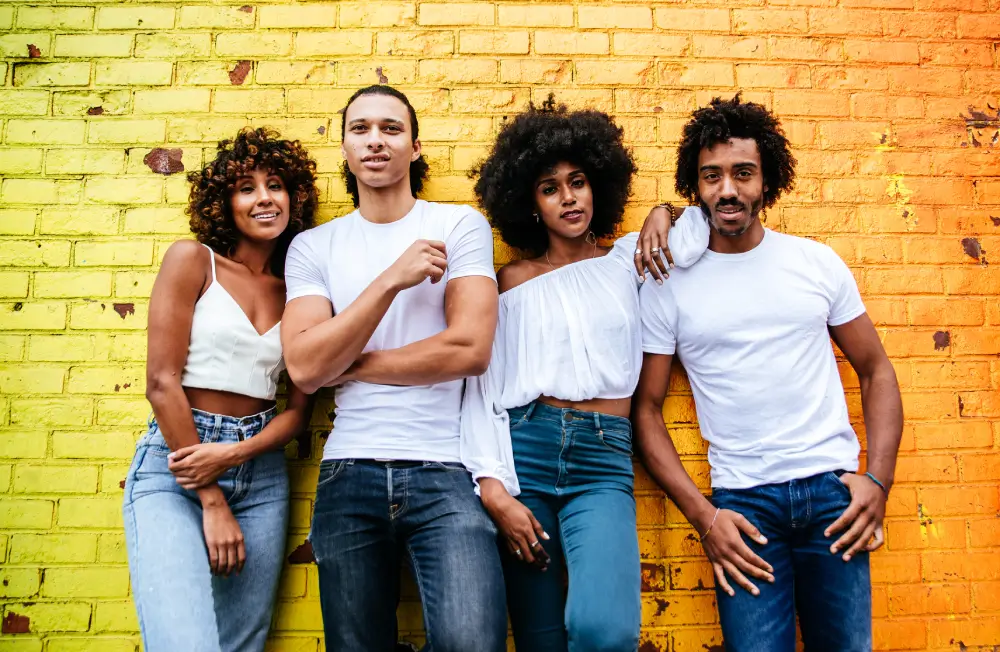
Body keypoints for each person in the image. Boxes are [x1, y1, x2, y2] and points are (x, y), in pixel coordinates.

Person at [633, 95, 903, 651]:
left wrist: (877, 481)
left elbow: (875, 369)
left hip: (834, 500)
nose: (727, 190)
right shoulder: (670, 283)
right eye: (712, 176)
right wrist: (705, 517)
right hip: (744, 507)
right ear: (696, 184)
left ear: (767, 180)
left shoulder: (816, 263)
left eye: (743, 174)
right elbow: (646, 411)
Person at [463, 98, 709, 652]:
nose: (568, 197)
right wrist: (492, 485)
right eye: (550, 188)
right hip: (525, 447)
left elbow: (703, 224)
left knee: (608, 629)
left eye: (577, 182)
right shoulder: (511, 280)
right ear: (531, 202)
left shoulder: (631, 261)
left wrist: (662, 211)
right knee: (539, 637)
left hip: (602, 458)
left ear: (599, 186)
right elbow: (482, 390)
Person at [280, 84, 506, 652]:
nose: (375, 141)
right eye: (360, 129)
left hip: (446, 470)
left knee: (471, 643)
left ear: (415, 145)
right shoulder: (313, 247)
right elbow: (305, 369)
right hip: (347, 472)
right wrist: (389, 280)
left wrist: (350, 365)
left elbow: (469, 349)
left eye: (390, 128)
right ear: (345, 149)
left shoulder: (458, 226)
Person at [123, 127, 317, 652]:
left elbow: (297, 411)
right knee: (185, 642)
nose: (263, 199)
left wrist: (235, 454)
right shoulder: (193, 261)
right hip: (177, 465)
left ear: (293, 197)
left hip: (260, 469)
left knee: (240, 645)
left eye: (275, 184)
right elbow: (161, 383)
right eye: (245, 188)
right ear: (223, 202)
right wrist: (210, 495)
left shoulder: (301, 291)